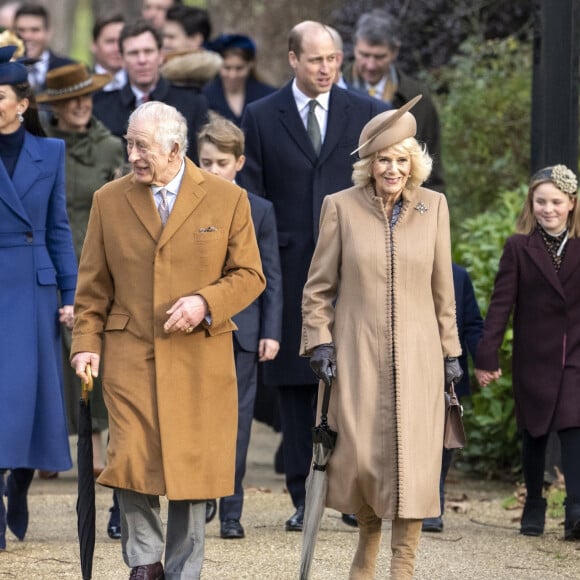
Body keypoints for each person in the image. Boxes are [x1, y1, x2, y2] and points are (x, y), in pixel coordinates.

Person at [70, 101, 265, 578]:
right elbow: (92, 288)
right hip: (130, 352)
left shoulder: (226, 199)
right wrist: (85, 344)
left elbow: (250, 275)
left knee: (191, 470)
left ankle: (183, 569)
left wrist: (204, 301)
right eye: (129, 143)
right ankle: (143, 563)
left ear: (176, 148)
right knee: (130, 459)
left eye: (143, 146)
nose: (133, 154)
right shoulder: (108, 200)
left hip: (200, 356)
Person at [300, 97, 462, 579]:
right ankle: (364, 557)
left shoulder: (435, 207)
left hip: (419, 358)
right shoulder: (340, 208)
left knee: (413, 463)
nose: (392, 168)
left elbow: (443, 290)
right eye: (383, 160)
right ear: (369, 165)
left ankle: (402, 568)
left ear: (415, 163)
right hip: (356, 356)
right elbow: (318, 287)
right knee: (365, 462)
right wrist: (319, 341)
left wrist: (451, 352)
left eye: (401, 159)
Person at [238, 20, 388, 532]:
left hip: (353, 270)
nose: (327, 68)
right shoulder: (260, 116)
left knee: (351, 383)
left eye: (333, 59)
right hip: (290, 268)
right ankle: (303, 497)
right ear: (293, 59)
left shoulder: (367, 113)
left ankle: (349, 491)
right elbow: (253, 198)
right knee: (299, 388)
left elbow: (378, 187)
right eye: (317, 59)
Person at [36, 62, 125, 537]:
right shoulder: (44, 150)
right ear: (54, 106)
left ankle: (100, 445)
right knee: (51, 361)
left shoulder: (113, 147)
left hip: (100, 265)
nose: (81, 104)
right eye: (71, 99)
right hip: (51, 263)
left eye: (86, 96)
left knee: (100, 355)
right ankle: (52, 446)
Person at [475, 164, 580, 542]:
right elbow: (501, 305)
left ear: (571, 203)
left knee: (574, 427)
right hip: (533, 357)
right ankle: (533, 502)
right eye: (540, 201)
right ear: (531, 203)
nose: (548, 209)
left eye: (556, 202)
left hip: (575, 358)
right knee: (533, 434)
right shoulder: (519, 247)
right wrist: (487, 357)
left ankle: (576, 510)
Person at [0, 44, 77, 551]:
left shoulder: (50, 152)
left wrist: (71, 293)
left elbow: (57, 227)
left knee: (26, 401)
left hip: (33, 286)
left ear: (21, 103)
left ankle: (20, 481)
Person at [197, 113, 283, 540]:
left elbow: (271, 273)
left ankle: (232, 510)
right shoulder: (185, 204)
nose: (213, 170)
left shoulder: (259, 209)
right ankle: (199, 495)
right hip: (195, 328)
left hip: (243, 332)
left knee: (239, 421)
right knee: (197, 417)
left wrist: (271, 330)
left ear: (239, 163)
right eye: (206, 162)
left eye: (220, 163)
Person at [342, 9, 444, 190]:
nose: (370, 65)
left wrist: (426, 214)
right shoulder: (335, 92)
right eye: (364, 55)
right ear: (354, 47)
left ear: (394, 51)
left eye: (379, 57)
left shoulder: (416, 98)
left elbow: (432, 171)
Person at [92, 19, 208, 162]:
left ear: (160, 56)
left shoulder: (192, 102)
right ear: (122, 59)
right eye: (133, 53)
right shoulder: (101, 107)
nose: (142, 60)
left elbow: (202, 161)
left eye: (148, 51)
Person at [422, 263, 483, 533]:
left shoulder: (458, 275)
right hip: (406, 367)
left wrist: (485, 360)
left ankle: (433, 503)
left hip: (448, 370)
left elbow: (472, 324)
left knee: (442, 439)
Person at [203, 34, 276, 127]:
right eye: (227, 68)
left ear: (251, 65)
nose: (232, 75)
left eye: (239, 68)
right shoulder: (204, 97)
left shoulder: (268, 96)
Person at [13, 2, 75, 92]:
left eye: (35, 30)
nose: (27, 37)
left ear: (48, 33)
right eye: (21, 30)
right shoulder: (3, 71)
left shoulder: (70, 70)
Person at [159, 5, 222, 92]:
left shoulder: (217, 79)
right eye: (163, 36)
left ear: (195, 39)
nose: (164, 42)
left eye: (171, 37)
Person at [91, 12, 127, 92]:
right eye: (110, 41)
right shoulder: (84, 88)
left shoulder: (141, 87)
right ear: (94, 45)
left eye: (121, 41)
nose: (117, 48)